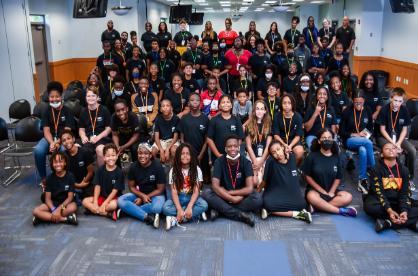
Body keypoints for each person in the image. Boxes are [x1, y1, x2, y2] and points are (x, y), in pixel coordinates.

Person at [202, 135, 263, 227]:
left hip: (239, 197)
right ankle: (238, 215)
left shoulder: (246, 162)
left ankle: (220, 209)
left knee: (258, 199)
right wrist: (231, 198)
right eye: (229, 147)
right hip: (222, 196)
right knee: (206, 193)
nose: (232, 149)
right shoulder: (219, 161)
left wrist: (231, 194)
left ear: (239, 148)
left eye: (235, 146)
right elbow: (215, 186)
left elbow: (249, 188)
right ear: (225, 149)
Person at [364, 142, 418, 233]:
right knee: (369, 206)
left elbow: (404, 193)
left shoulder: (404, 170)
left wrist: (404, 210)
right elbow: (379, 192)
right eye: (387, 148)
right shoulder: (376, 169)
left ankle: (387, 223)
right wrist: (389, 210)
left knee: (411, 206)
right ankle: (410, 222)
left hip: (397, 202)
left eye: (393, 148)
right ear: (381, 154)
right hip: (380, 201)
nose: (391, 150)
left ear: (397, 152)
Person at [303, 128, 357, 217]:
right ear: (319, 141)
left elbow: (338, 177)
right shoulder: (312, 156)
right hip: (316, 191)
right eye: (324, 138)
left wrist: (331, 192)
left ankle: (317, 207)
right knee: (311, 197)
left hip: (331, 191)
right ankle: (341, 211)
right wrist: (322, 191)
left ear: (332, 140)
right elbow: (308, 177)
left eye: (329, 137)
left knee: (348, 197)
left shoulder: (337, 157)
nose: (326, 140)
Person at [35, 81, 75, 189]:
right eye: (51, 97)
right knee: (38, 150)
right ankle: (44, 180)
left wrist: (58, 143)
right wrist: (52, 142)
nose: (54, 99)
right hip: (49, 139)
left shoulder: (67, 111)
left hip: (64, 139)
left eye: (57, 96)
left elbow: (67, 131)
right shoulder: (46, 111)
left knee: (63, 150)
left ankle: (64, 178)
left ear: (61, 96)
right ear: (48, 97)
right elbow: (46, 130)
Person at [117, 143, 166, 228]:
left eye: (145, 153)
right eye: (140, 153)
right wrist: (142, 196)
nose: (142, 156)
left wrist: (144, 197)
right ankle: (146, 217)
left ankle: (127, 211)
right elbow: (131, 187)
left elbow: (160, 189)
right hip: (139, 193)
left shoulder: (157, 166)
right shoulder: (133, 166)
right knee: (121, 200)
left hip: (156, 195)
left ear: (150, 155)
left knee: (157, 208)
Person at [261, 142, 311, 222]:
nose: (277, 153)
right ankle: (298, 214)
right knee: (267, 203)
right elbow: (264, 181)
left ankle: (270, 212)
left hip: (292, 194)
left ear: (282, 148)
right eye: (274, 152)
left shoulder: (292, 158)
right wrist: (257, 191)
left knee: (302, 204)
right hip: (276, 193)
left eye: (278, 149)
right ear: (271, 155)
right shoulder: (270, 161)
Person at [376, 87, 415, 190]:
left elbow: (404, 130)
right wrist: (393, 143)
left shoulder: (404, 110)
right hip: (384, 137)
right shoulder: (384, 110)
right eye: (395, 100)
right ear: (391, 99)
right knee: (393, 151)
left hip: (399, 138)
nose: (397, 103)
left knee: (412, 151)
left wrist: (398, 143)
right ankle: (393, 178)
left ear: (403, 101)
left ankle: (409, 178)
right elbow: (382, 130)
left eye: (400, 101)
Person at [163, 144, 209, 230]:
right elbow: (174, 192)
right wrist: (179, 208)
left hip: (191, 197)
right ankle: (194, 215)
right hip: (179, 197)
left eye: (188, 153)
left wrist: (190, 206)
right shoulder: (174, 170)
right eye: (182, 153)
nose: (185, 156)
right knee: (165, 208)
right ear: (178, 156)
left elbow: (196, 191)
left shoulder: (196, 169)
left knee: (204, 205)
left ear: (191, 156)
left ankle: (175, 219)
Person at [340, 91, 375, 194]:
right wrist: (355, 134)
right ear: (353, 101)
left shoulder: (368, 110)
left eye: (360, 102)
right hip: (349, 140)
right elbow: (341, 132)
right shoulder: (347, 111)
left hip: (363, 141)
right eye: (356, 102)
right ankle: (373, 170)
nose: (358, 104)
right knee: (368, 144)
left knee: (363, 150)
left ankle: (362, 179)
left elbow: (370, 128)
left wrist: (365, 135)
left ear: (364, 101)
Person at [32, 152, 78, 226]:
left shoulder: (70, 176)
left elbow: (70, 198)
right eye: (55, 162)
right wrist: (53, 209)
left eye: (60, 161)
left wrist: (59, 209)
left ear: (65, 163)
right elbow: (47, 199)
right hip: (53, 203)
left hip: (65, 204)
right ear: (52, 164)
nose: (58, 164)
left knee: (72, 208)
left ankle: (43, 218)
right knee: (36, 211)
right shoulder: (49, 178)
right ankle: (66, 219)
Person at [82, 144, 125, 221]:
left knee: (113, 205)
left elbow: (114, 191)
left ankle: (95, 211)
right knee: (85, 201)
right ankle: (107, 213)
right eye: (108, 156)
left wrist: (105, 204)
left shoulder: (119, 172)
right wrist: (95, 202)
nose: (111, 158)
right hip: (102, 197)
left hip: (113, 198)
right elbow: (97, 186)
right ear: (104, 158)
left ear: (117, 156)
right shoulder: (100, 170)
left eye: (113, 155)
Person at [78, 87, 112, 166]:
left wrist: (97, 138)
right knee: (77, 149)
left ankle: (101, 174)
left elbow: (108, 129)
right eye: (88, 96)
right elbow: (81, 129)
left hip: (102, 138)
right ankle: (88, 175)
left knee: (100, 150)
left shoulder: (104, 109)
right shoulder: (83, 111)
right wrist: (83, 137)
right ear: (85, 98)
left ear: (97, 97)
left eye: (93, 96)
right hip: (88, 138)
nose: (91, 98)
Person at [207, 95, 244, 162]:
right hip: (218, 157)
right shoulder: (214, 120)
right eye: (223, 102)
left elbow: (240, 139)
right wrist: (218, 154)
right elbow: (209, 139)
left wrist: (233, 153)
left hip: (233, 157)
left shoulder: (236, 120)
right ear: (219, 106)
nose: (226, 104)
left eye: (228, 102)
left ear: (231, 105)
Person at [60, 130, 94, 203]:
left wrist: (83, 183)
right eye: (64, 140)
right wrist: (77, 185)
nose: (67, 142)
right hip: (73, 184)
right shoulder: (63, 156)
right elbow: (64, 175)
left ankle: (77, 196)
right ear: (62, 143)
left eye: (68, 138)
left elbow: (90, 172)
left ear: (73, 139)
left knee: (91, 197)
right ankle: (76, 195)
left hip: (86, 182)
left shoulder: (85, 152)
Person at [178, 93, 209, 169]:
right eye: (192, 100)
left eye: (197, 100)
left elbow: (206, 140)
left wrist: (200, 155)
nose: (195, 102)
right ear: (188, 103)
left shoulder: (205, 119)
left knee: (202, 178)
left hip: (202, 154)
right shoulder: (184, 119)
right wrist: (187, 154)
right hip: (188, 155)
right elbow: (182, 139)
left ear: (201, 103)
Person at [245, 100, 272, 186]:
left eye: (261, 109)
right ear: (253, 111)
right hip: (252, 156)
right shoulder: (248, 125)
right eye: (257, 109)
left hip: (265, 156)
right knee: (254, 182)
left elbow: (268, 146)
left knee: (262, 182)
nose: (259, 111)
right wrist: (255, 162)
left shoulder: (269, 125)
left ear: (265, 111)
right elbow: (248, 146)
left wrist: (261, 162)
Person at [273, 94, 305, 166]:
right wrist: (284, 145)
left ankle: (293, 168)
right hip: (280, 140)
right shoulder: (277, 116)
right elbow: (276, 135)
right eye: (284, 103)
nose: (286, 105)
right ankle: (281, 169)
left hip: (293, 141)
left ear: (292, 104)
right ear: (281, 104)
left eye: (289, 103)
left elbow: (298, 136)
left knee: (299, 152)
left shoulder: (298, 117)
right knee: (277, 151)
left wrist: (290, 146)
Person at [151, 99, 180, 164]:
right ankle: (158, 168)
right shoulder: (158, 119)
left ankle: (173, 168)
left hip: (172, 140)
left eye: (167, 106)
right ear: (161, 109)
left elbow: (175, 137)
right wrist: (161, 150)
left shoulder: (176, 119)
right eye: (163, 106)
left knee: (174, 150)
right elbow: (156, 138)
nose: (165, 108)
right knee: (153, 151)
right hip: (161, 140)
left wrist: (167, 149)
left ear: (171, 108)